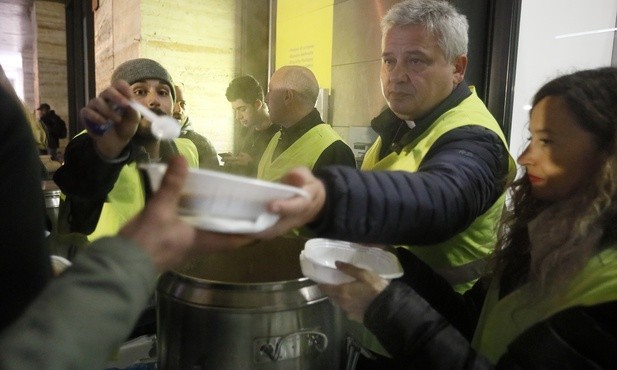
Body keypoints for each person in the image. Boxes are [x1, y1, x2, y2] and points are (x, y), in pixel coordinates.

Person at [310, 66, 617, 369]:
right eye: (389, 59)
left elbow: (446, 195)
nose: (524, 158)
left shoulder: (607, 293)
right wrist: (394, 265)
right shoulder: (542, 239)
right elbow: (468, 320)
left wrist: (385, 308)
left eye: (547, 142)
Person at [53, 58, 199, 246]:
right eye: (140, 91)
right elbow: (81, 181)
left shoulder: (187, 150)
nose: (154, 100)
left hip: (169, 267)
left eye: (163, 92)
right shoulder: (98, 144)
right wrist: (106, 151)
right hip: (109, 268)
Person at [258, 65, 356, 181]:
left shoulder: (335, 151)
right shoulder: (277, 137)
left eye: (271, 91)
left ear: (287, 96)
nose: (266, 98)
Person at [223, 75, 279, 177]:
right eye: (235, 110)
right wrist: (235, 160)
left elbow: (281, 173)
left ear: (258, 104)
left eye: (242, 109)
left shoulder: (280, 132)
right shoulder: (245, 131)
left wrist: (252, 163)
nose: (238, 117)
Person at [173, 83, 220, 169]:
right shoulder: (149, 142)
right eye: (173, 102)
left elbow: (212, 181)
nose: (178, 110)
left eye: (182, 104)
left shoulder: (202, 145)